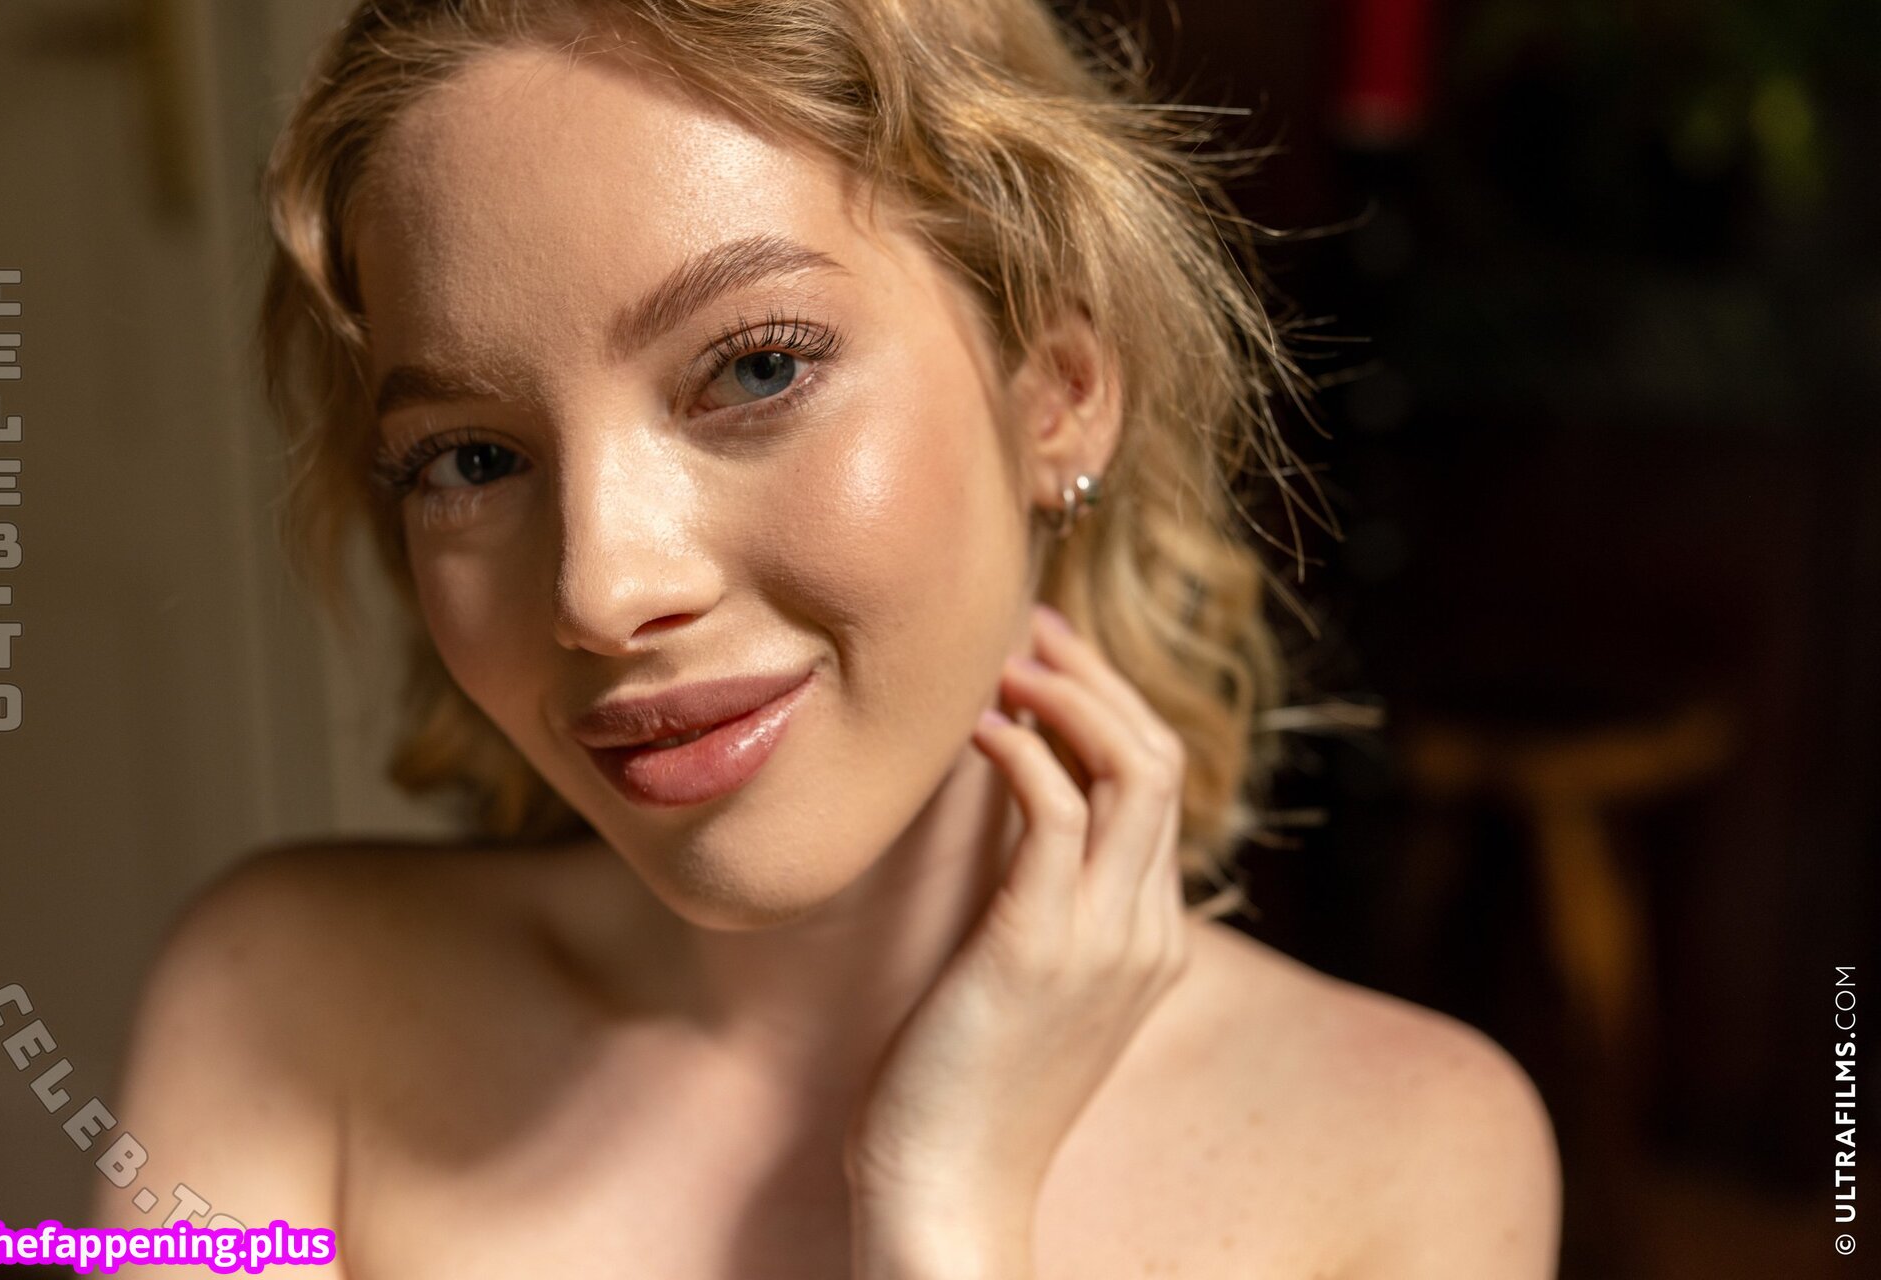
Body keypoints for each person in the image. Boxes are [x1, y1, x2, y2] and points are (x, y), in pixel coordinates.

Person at [92, 1, 1562, 1275]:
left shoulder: (1411, 1147)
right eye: (470, 460)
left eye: (755, 368)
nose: (600, 589)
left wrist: (945, 1211)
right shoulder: (272, 1005)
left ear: (1058, 389)